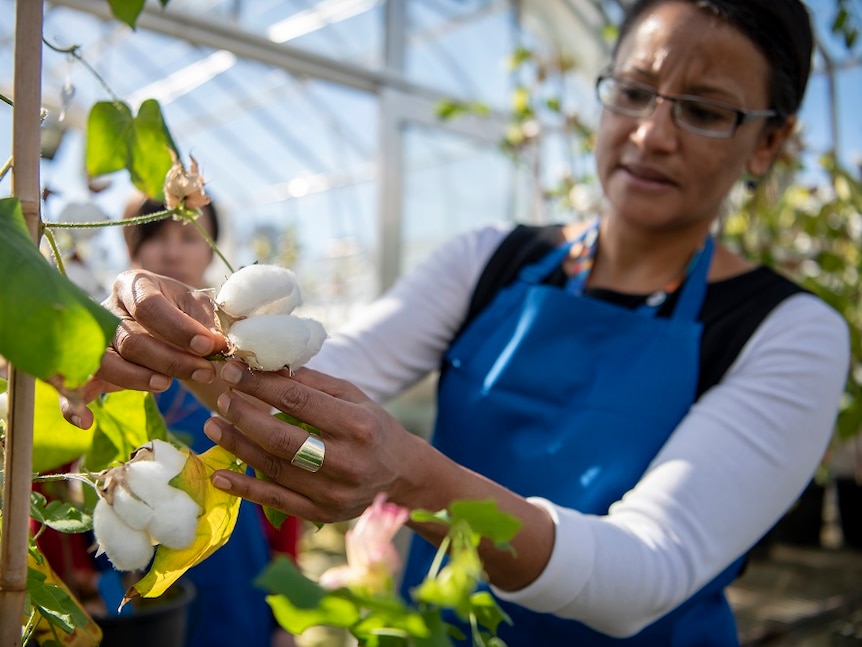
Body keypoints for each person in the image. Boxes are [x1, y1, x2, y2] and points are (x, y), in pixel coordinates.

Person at [67, 1, 851, 644]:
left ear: (768, 143)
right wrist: (196, 338)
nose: (651, 132)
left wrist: (410, 474)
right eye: (635, 92)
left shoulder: (788, 331)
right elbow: (327, 374)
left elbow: (645, 572)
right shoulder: (495, 259)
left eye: (706, 111)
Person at [122, 196, 299, 647]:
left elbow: (283, 472)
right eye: (156, 236)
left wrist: (285, 618)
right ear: (132, 250)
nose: (172, 251)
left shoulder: (249, 348)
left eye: (188, 235)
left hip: (236, 560)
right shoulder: (114, 352)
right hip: (130, 561)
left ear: (211, 247)